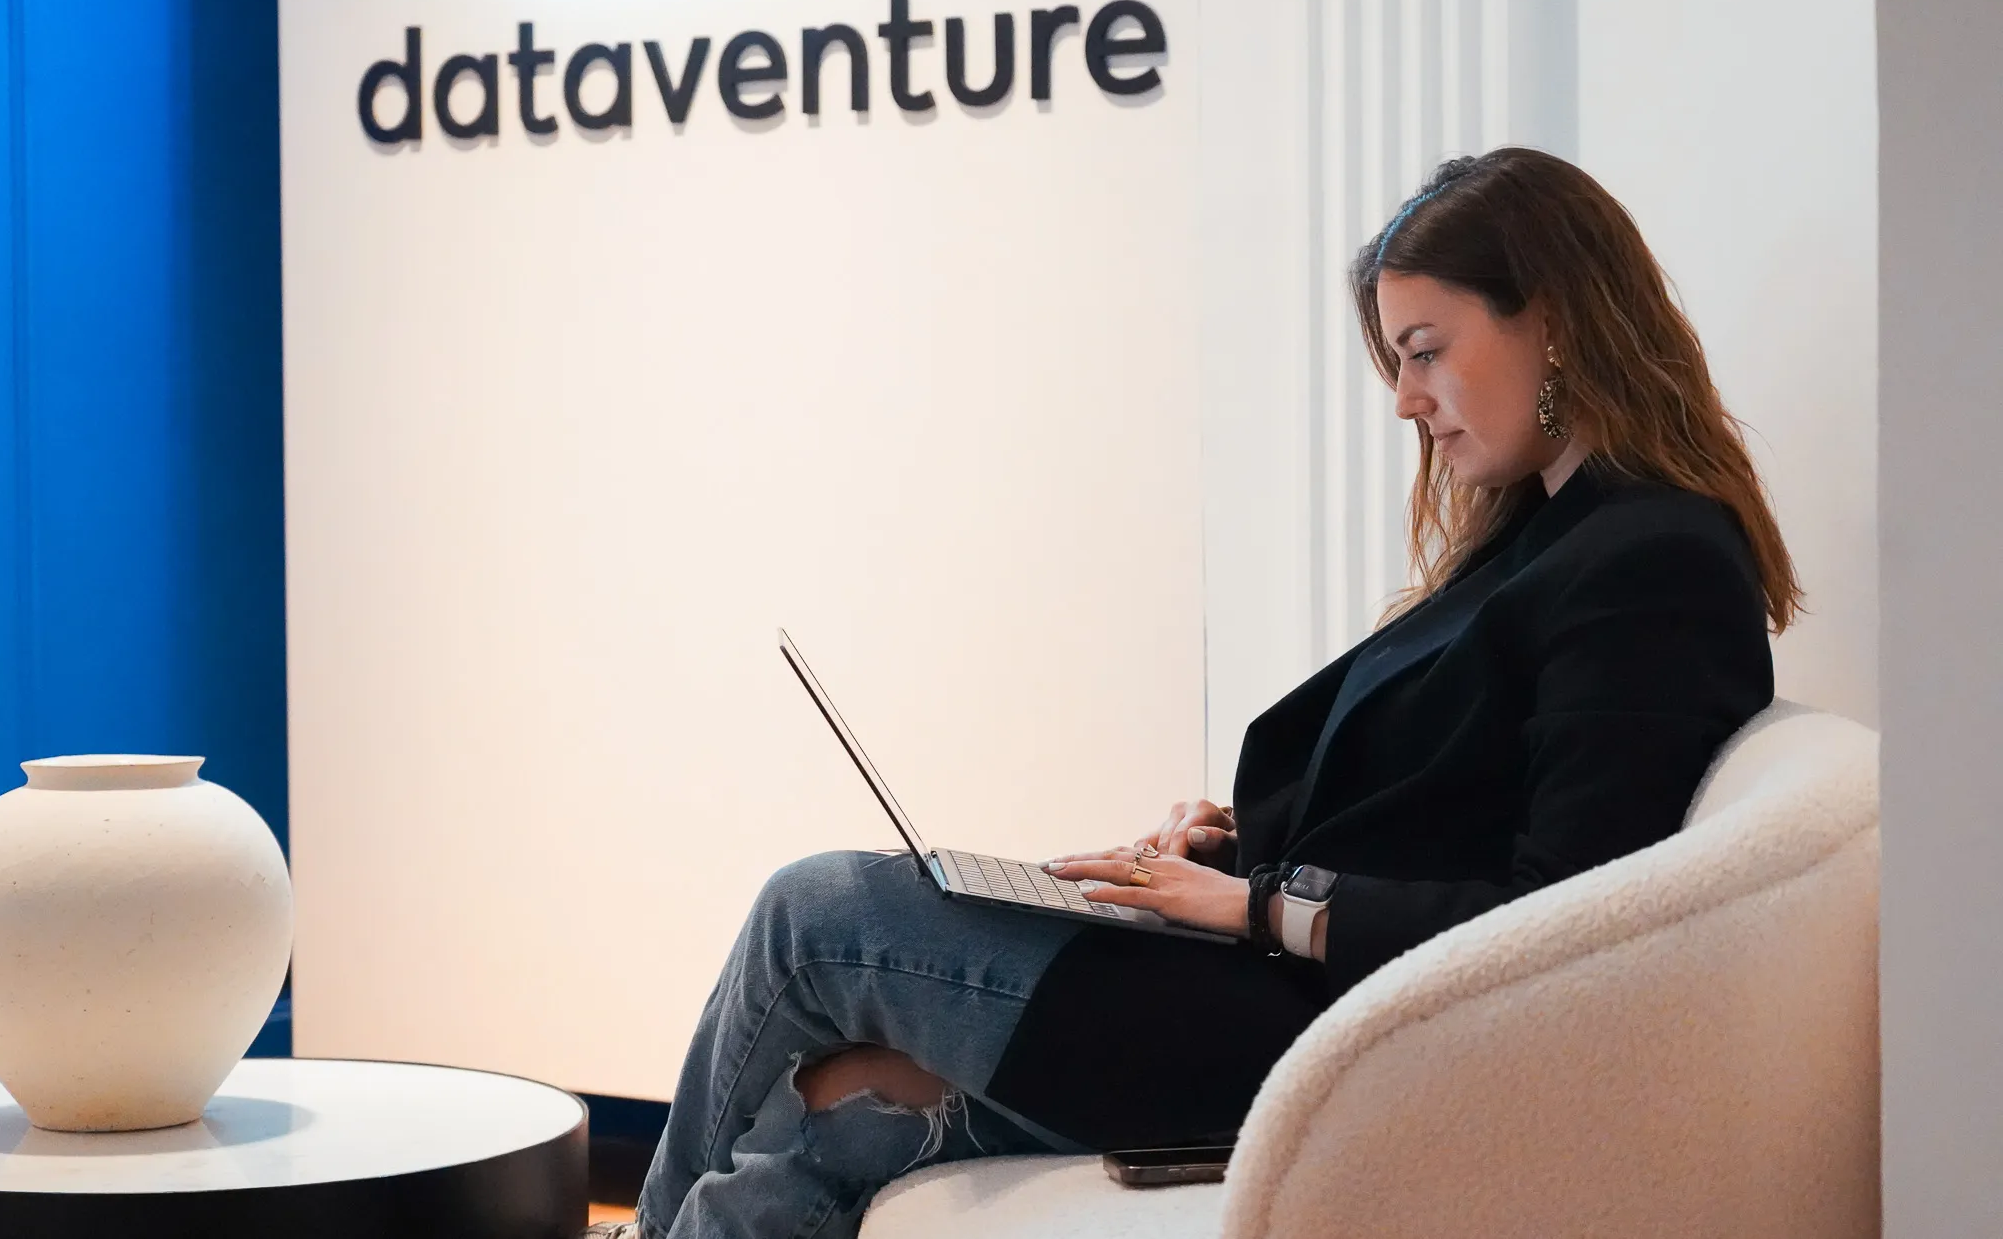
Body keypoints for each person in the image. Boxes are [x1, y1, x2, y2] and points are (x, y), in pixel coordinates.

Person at [597, 147, 1797, 1239]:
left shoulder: (1648, 560)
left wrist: (1255, 904)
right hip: (1279, 999)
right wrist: (1229, 851)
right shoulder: (1550, 533)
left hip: (1324, 1042)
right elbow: (1447, 809)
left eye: (1424, 351)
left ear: (1556, 321)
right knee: (810, 1158)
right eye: (1395, 361)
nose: (1402, 401)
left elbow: (1568, 924)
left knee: (814, 914)